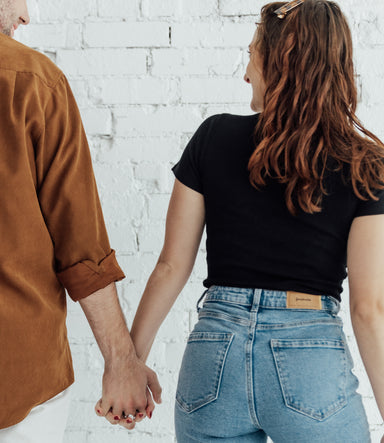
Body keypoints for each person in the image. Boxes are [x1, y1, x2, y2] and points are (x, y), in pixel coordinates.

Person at [125, 1, 384, 442]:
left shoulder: (213, 136)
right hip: (309, 361)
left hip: (213, 357)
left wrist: (128, 365)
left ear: (281, 63)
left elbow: (171, 267)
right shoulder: (365, 164)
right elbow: (368, 308)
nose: (246, 73)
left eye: (252, 56)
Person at [0, 0, 161, 441]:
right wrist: (121, 362)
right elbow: (82, 248)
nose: (26, 15)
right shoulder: (34, 79)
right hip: (15, 376)